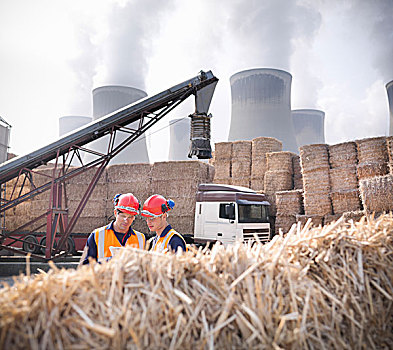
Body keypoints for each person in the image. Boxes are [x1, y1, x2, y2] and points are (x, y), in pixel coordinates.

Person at [79, 193, 145, 265]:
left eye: (130, 217)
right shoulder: (97, 235)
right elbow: (84, 268)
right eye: (123, 216)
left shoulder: (140, 238)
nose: (126, 220)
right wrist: (109, 262)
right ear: (115, 213)